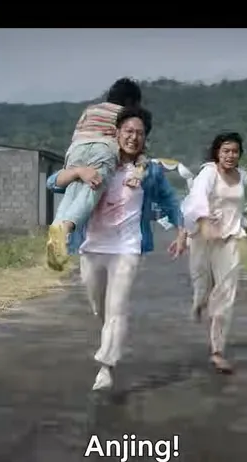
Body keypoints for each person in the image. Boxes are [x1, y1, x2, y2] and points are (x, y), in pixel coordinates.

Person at [46, 107, 187, 391]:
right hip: (92, 246)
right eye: (128, 132)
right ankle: (110, 336)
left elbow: (170, 201)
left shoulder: (150, 171)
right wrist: (79, 172)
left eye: (140, 133)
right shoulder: (101, 163)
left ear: (146, 138)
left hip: (127, 247)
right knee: (99, 307)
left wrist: (182, 230)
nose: (133, 138)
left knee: (117, 307)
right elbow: (53, 184)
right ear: (117, 133)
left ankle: (106, 366)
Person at [46, 78, 146, 272]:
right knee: (94, 186)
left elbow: (77, 133)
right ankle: (66, 228)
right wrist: (139, 170)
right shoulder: (124, 116)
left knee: (74, 189)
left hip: (76, 149)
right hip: (102, 149)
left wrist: (76, 168)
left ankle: (57, 228)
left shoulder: (90, 110)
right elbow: (136, 149)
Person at [181, 132, 247, 374]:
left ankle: (217, 350)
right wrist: (203, 223)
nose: (230, 155)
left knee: (225, 293)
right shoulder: (208, 173)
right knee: (202, 286)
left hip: (229, 239)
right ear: (217, 153)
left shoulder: (243, 177)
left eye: (235, 151)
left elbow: (238, 208)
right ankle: (199, 302)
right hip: (203, 237)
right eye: (226, 151)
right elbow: (196, 198)